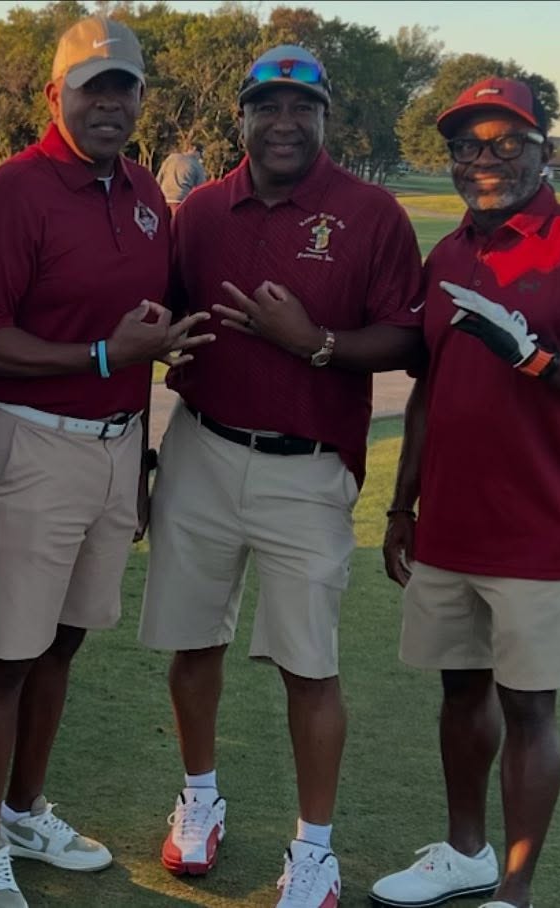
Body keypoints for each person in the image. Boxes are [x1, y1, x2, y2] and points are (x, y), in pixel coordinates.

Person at [137, 43, 425, 908]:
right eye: (267, 105)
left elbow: (407, 340)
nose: (285, 121)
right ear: (243, 118)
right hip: (202, 445)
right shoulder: (200, 211)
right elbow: (167, 314)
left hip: (308, 464)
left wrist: (315, 344)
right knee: (194, 641)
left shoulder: (370, 213)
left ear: (327, 118)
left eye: (302, 107)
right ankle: (199, 799)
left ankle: (315, 849)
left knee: (309, 664)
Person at [370, 76, 560, 908]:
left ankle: (514, 890)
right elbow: (429, 387)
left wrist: (536, 358)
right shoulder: (450, 252)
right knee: (458, 689)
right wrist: (401, 505)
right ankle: (466, 853)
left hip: (538, 520)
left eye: (505, 144)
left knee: (527, 705)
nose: (484, 161)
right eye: (467, 146)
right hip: (450, 522)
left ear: (541, 151)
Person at [0, 15, 212, 908]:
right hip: (28, 440)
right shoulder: (15, 194)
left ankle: (25, 808)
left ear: (141, 98)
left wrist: (134, 446)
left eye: (123, 87)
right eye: (91, 86)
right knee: (8, 654)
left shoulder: (142, 188)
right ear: (53, 93)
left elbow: (146, 325)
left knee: (62, 643)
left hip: (111, 447)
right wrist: (99, 355)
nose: (109, 103)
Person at [155, 141, 207, 213]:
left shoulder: (171, 158)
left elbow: (159, 179)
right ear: (195, 149)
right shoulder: (197, 165)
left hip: (163, 199)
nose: (200, 158)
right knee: (177, 223)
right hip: (181, 200)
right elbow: (202, 189)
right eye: (200, 155)